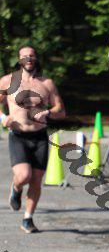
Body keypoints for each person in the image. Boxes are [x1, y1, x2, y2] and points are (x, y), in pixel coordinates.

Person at [0, 46, 66, 233]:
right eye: (24, 56)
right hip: (18, 136)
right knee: (24, 176)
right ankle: (16, 188)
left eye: (31, 56)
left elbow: (61, 110)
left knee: (36, 180)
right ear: (19, 59)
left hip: (39, 137)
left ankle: (27, 218)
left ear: (36, 58)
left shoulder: (47, 83)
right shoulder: (7, 81)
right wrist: (3, 118)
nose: (28, 59)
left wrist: (48, 112)